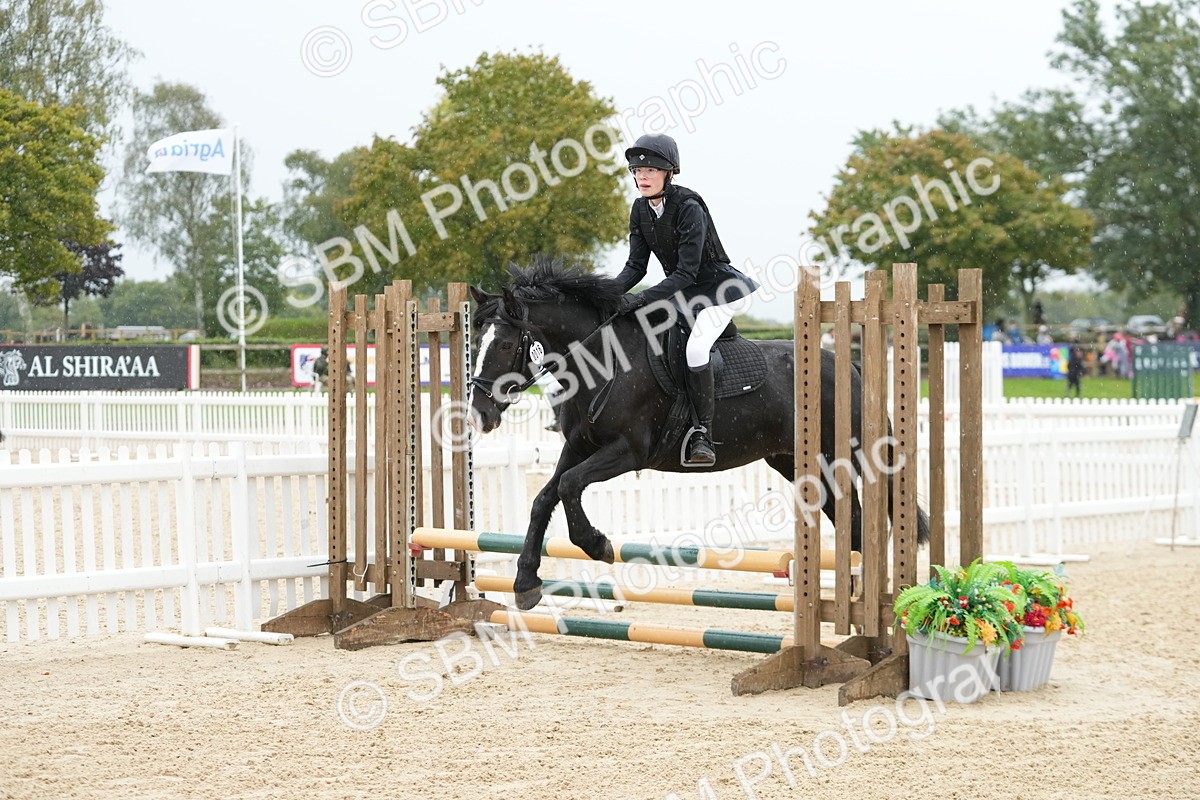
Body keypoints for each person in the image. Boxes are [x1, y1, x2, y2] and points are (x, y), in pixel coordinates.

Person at [613, 133, 760, 466]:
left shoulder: (689, 206)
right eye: (637, 171)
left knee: (695, 349)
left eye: (650, 169)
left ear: (669, 172)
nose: (642, 176)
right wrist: (607, 294)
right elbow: (635, 266)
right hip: (685, 291)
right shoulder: (640, 209)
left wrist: (640, 300)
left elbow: (686, 273)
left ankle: (702, 433)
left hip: (718, 289)